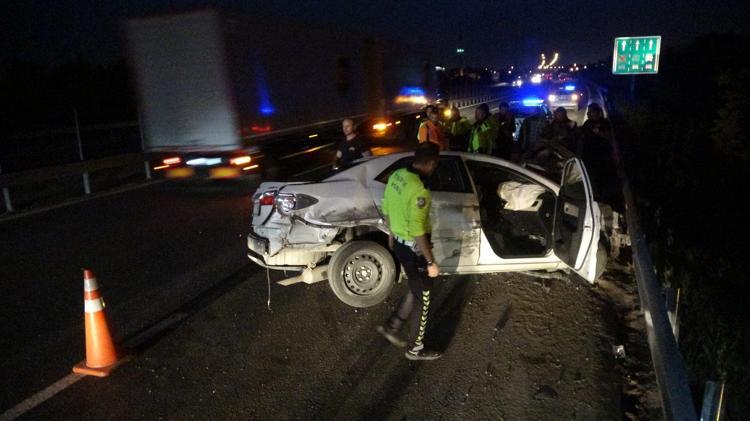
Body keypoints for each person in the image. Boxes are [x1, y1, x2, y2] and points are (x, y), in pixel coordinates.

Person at [377, 141, 442, 361]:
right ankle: (415, 349)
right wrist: (431, 262)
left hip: (400, 246)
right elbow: (417, 229)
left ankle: (393, 326)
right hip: (415, 251)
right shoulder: (419, 190)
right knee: (424, 297)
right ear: (431, 163)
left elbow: (386, 206)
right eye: (435, 164)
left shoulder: (397, 175)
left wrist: (391, 234)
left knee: (416, 287)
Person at [579, 103, 616, 202]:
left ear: (597, 112)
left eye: (590, 112)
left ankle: (606, 198)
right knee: (592, 178)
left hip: (602, 156)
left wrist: (598, 132)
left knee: (603, 178)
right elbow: (581, 136)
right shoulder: (587, 123)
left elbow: (609, 136)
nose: (588, 114)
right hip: (589, 156)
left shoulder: (604, 123)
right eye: (588, 112)